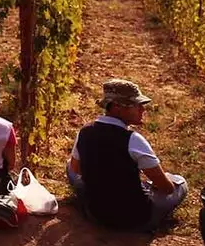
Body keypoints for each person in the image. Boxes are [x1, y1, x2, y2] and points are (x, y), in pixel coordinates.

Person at [67, 79, 189, 232]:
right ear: (117, 107)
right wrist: (163, 180)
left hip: (95, 213)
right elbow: (167, 188)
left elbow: (75, 169)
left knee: (70, 166)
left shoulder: (85, 131)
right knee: (180, 183)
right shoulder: (133, 139)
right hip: (136, 220)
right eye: (137, 105)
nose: (142, 110)